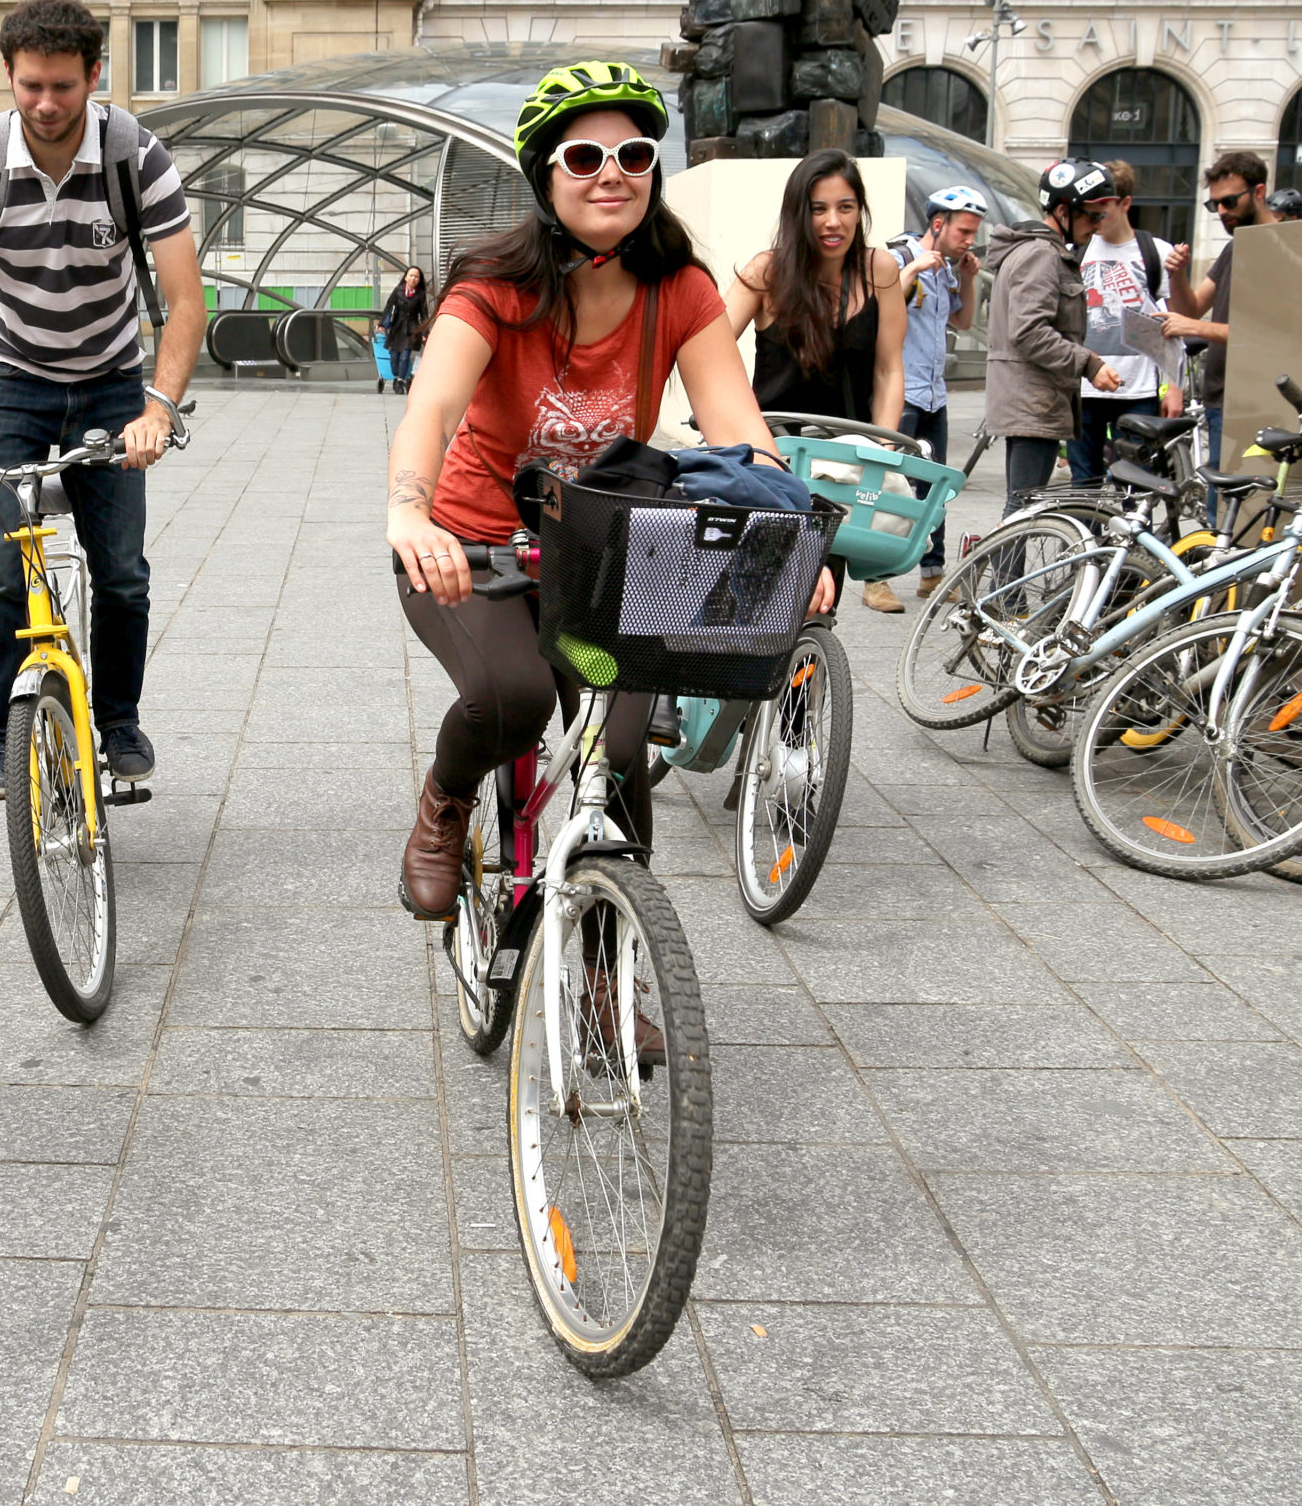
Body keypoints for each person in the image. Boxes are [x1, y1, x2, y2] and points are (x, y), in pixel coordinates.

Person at [383, 61, 836, 919]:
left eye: (632, 154)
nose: (612, 174)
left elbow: (737, 425)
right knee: (510, 698)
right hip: (471, 550)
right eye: (583, 158)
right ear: (545, 175)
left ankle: (611, 971)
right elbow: (432, 409)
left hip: (601, 557)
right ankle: (444, 802)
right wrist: (410, 509)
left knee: (618, 752)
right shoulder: (493, 286)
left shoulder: (681, 288)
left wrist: (792, 535)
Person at [0, 0, 206, 803]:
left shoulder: (135, 156)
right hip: (7, 379)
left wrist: (157, 410)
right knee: (0, 569)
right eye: (30, 84)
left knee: (124, 572)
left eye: (63, 86)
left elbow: (186, 300)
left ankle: (119, 722)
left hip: (110, 378)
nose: (45, 102)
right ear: (10, 75)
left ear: (93, 75)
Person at [725, 150, 909, 611]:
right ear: (797, 213)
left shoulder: (879, 270)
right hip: (773, 457)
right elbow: (710, 348)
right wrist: (733, 425)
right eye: (818, 208)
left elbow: (888, 368)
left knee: (819, 604)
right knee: (760, 598)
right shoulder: (766, 271)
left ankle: (805, 682)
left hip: (844, 462)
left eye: (845, 207)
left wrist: (882, 451)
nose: (833, 222)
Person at [982, 159, 1124, 517]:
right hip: (1033, 399)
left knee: (1021, 503)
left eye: (1102, 216)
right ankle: (1005, 576)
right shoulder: (1042, 256)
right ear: (1063, 210)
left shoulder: (1038, 252)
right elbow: (1029, 332)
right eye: (1091, 215)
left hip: (1033, 398)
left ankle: (1005, 575)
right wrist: (1089, 363)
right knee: (1023, 506)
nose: (1097, 225)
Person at [885, 186, 986, 597]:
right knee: (891, 484)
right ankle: (878, 578)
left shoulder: (947, 268)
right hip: (901, 392)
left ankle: (932, 573)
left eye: (974, 232)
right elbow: (878, 305)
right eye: (964, 231)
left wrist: (967, 277)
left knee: (936, 486)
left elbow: (963, 322)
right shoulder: (899, 257)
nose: (970, 240)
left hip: (934, 395)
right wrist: (912, 271)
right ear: (938, 224)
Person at [1068, 160, 1183, 485]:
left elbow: (1177, 326)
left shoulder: (1156, 252)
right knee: (1083, 484)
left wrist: (1175, 388)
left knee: (1137, 484)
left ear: (1125, 203)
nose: (1095, 217)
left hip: (1138, 390)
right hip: (1084, 388)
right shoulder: (1076, 250)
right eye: (1090, 208)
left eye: (1103, 208)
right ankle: (1088, 538)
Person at [1163, 150, 1268, 470]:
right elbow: (1192, 308)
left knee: (1233, 505)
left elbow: (1268, 335)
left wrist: (1193, 328)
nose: (1222, 211)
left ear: (1259, 192)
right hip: (1220, 397)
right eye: (1215, 205)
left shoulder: (1280, 245)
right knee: (1219, 502)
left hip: (1258, 402)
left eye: (1230, 201)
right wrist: (1177, 275)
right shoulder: (1235, 246)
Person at [378, 266, 429, 395]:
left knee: (405, 357)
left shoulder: (420, 295)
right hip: (397, 327)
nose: (413, 278)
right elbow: (389, 307)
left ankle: (401, 381)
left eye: (416, 276)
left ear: (419, 279)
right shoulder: (398, 291)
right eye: (411, 275)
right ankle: (395, 377)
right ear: (406, 277)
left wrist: (425, 332)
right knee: (394, 356)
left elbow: (423, 315)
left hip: (411, 328)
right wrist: (382, 324)